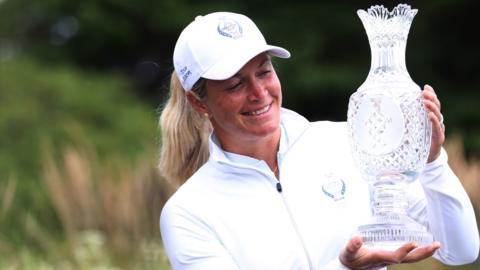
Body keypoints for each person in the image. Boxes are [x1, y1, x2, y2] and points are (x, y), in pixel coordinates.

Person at [158, 11, 479, 270]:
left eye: (264, 72)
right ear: (199, 102)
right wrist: (345, 267)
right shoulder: (188, 213)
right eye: (234, 85)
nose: (259, 93)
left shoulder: (347, 143)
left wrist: (432, 163)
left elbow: (460, 250)